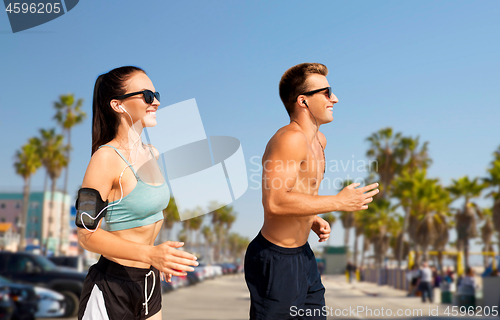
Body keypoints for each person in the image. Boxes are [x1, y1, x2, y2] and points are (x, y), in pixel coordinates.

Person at [244, 63, 379, 320]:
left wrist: (312, 217)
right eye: (327, 92)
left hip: (303, 255)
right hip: (275, 258)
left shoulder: (319, 141)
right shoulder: (289, 138)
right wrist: (337, 202)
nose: (335, 99)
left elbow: (297, 190)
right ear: (303, 101)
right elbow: (275, 202)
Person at [76, 66, 199, 320]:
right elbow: (86, 235)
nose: (156, 101)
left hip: (148, 282)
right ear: (118, 105)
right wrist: (152, 254)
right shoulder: (105, 158)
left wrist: (157, 258)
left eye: (156, 94)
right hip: (112, 287)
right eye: (146, 95)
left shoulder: (151, 152)